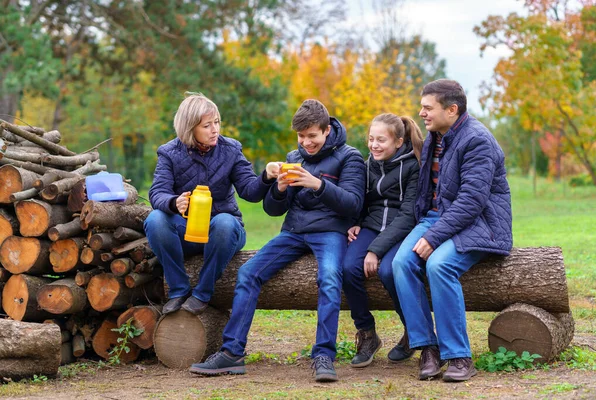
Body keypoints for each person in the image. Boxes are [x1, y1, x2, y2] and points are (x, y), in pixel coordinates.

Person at [190, 99, 366, 382]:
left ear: (326, 131)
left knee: (330, 277)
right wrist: (280, 188)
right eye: (301, 136)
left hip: (330, 232)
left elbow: (354, 205)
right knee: (249, 272)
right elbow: (273, 209)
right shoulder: (293, 157)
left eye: (312, 136)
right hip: (294, 232)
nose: (306, 143)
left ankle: (323, 355)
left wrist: (317, 184)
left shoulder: (350, 157)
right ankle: (232, 353)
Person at [392, 79, 512, 382]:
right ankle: (427, 348)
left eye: (427, 107)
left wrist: (432, 237)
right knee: (400, 262)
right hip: (438, 219)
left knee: (439, 264)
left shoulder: (477, 140)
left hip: (478, 223)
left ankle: (459, 355)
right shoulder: (437, 134)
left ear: (452, 109)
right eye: (422, 107)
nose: (421, 113)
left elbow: (471, 201)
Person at [144, 92, 279, 316]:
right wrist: (173, 202)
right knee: (155, 219)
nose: (215, 129)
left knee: (225, 222)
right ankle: (178, 290)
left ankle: (202, 294)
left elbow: (249, 191)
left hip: (224, 233)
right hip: (187, 231)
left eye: (216, 122)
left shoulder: (231, 149)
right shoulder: (169, 153)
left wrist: (266, 176)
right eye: (207, 125)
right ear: (190, 128)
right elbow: (157, 192)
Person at [342, 113, 423, 368]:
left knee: (389, 270)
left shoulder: (413, 166)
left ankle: (413, 331)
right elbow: (362, 199)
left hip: (402, 228)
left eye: (381, 140)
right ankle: (367, 333)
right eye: (371, 139)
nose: (374, 145)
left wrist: (375, 251)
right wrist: (355, 221)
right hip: (372, 225)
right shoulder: (369, 164)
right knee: (348, 268)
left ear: (399, 142)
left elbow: (408, 214)